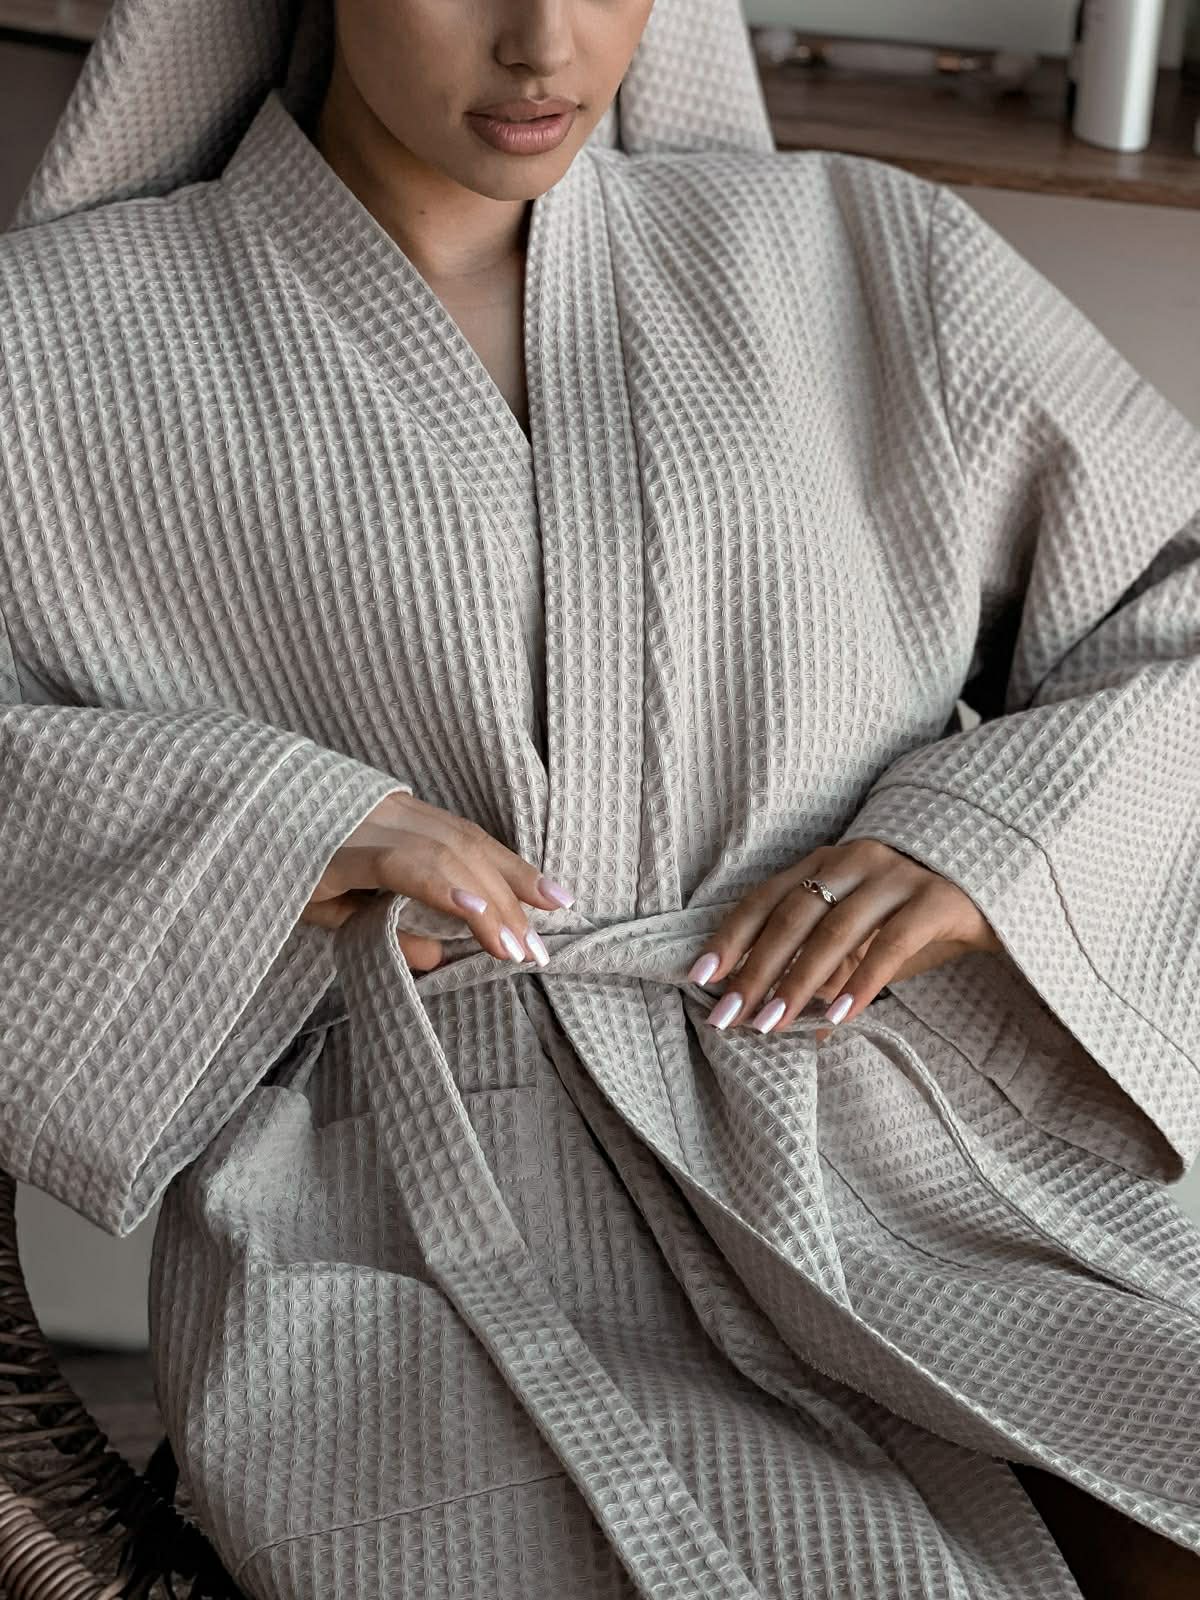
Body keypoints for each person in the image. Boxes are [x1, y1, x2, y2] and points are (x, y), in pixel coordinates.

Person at [1, 0, 1199, 1595]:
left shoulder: (862, 250)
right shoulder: (52, 339)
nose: (544, 44)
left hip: (914, 1160)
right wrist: (265, 829)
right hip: (421, 1229)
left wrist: (993, 835)